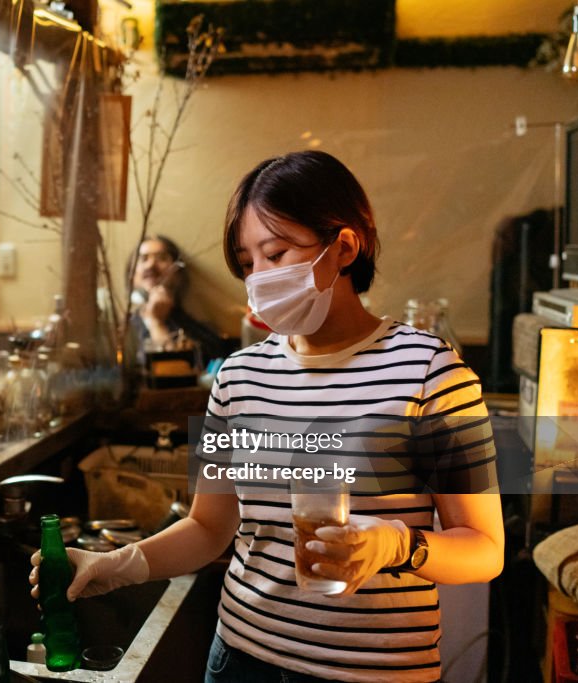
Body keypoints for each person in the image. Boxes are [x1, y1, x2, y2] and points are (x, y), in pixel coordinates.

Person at [32, 151, 504, 682]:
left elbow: (484, 550)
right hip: (239, 658)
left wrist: (396, 545)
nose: (258, 277)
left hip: (375, 672)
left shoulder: (428, 370)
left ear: (344, 247)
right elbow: (209, 526)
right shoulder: (238, 377)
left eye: (276, 254)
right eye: (248, 262)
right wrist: (116, 566)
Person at [128, 235, 225, 366]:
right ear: (132, 275)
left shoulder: (201, 336)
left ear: (178, 273)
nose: (151, 265)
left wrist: (157, 323)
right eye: (143, 259)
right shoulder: (122, 332)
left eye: (161, 258)